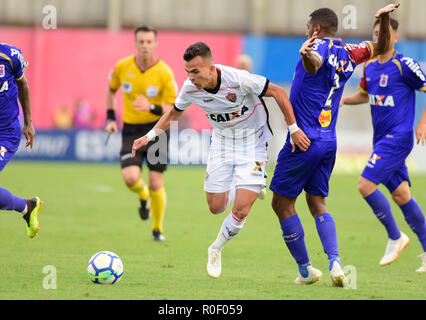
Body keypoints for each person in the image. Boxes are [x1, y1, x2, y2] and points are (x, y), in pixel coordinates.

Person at [132, 42, 311, 278]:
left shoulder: (238, 79)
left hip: (252, 144)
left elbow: (277, 92)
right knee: (215, 208)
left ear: (211, 68)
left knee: (241, 209)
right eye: (187, 72)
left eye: (195, 72)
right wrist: (149, 136)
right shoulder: (190, 88)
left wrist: (294, 128)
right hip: (222, 144)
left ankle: (216, 248)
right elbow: (174, 113)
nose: (191, 77)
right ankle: (248, 184)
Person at [268, 3, 400, 287]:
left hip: (303, 140)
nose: (306, 31)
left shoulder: (316, 47)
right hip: (328, 140)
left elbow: (314, 62)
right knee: (317, 202)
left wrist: (306, 56)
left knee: (281, 203)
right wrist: (385, 19)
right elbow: (381, 45)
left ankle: (306, 270)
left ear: (316, 29)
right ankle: (336, 262)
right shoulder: (351, 51)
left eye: (308, 27)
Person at [341, 18, 426, 272]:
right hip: (380, 140)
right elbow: (365, 96)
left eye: (385, 33)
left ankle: (395, 237)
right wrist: (343, 101)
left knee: (365, 185)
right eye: (376, 33)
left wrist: (422, 124)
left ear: (396, 38)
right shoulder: (369, 68)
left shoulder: (404, 65)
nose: (379, 37)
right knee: (401, 195)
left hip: (398, 138)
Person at [105, 26, 177, 241]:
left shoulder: (165, 72)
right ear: (136, 43)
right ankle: (143, 195)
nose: (145, 46)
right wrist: (110, 118)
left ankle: (157, 229)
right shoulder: (122, 66)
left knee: (156, 181)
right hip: (131, 130)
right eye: (141, 42)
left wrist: (152, 107)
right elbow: (111, 90)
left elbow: (174, 110)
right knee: (130, 178)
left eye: (149, 42)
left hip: (158, 130)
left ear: (155, 44)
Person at [0, 10, 42, 238]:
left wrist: (29, 123)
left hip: (3, 134)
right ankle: (28, 207)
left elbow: (23, 85)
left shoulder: (10, 56)